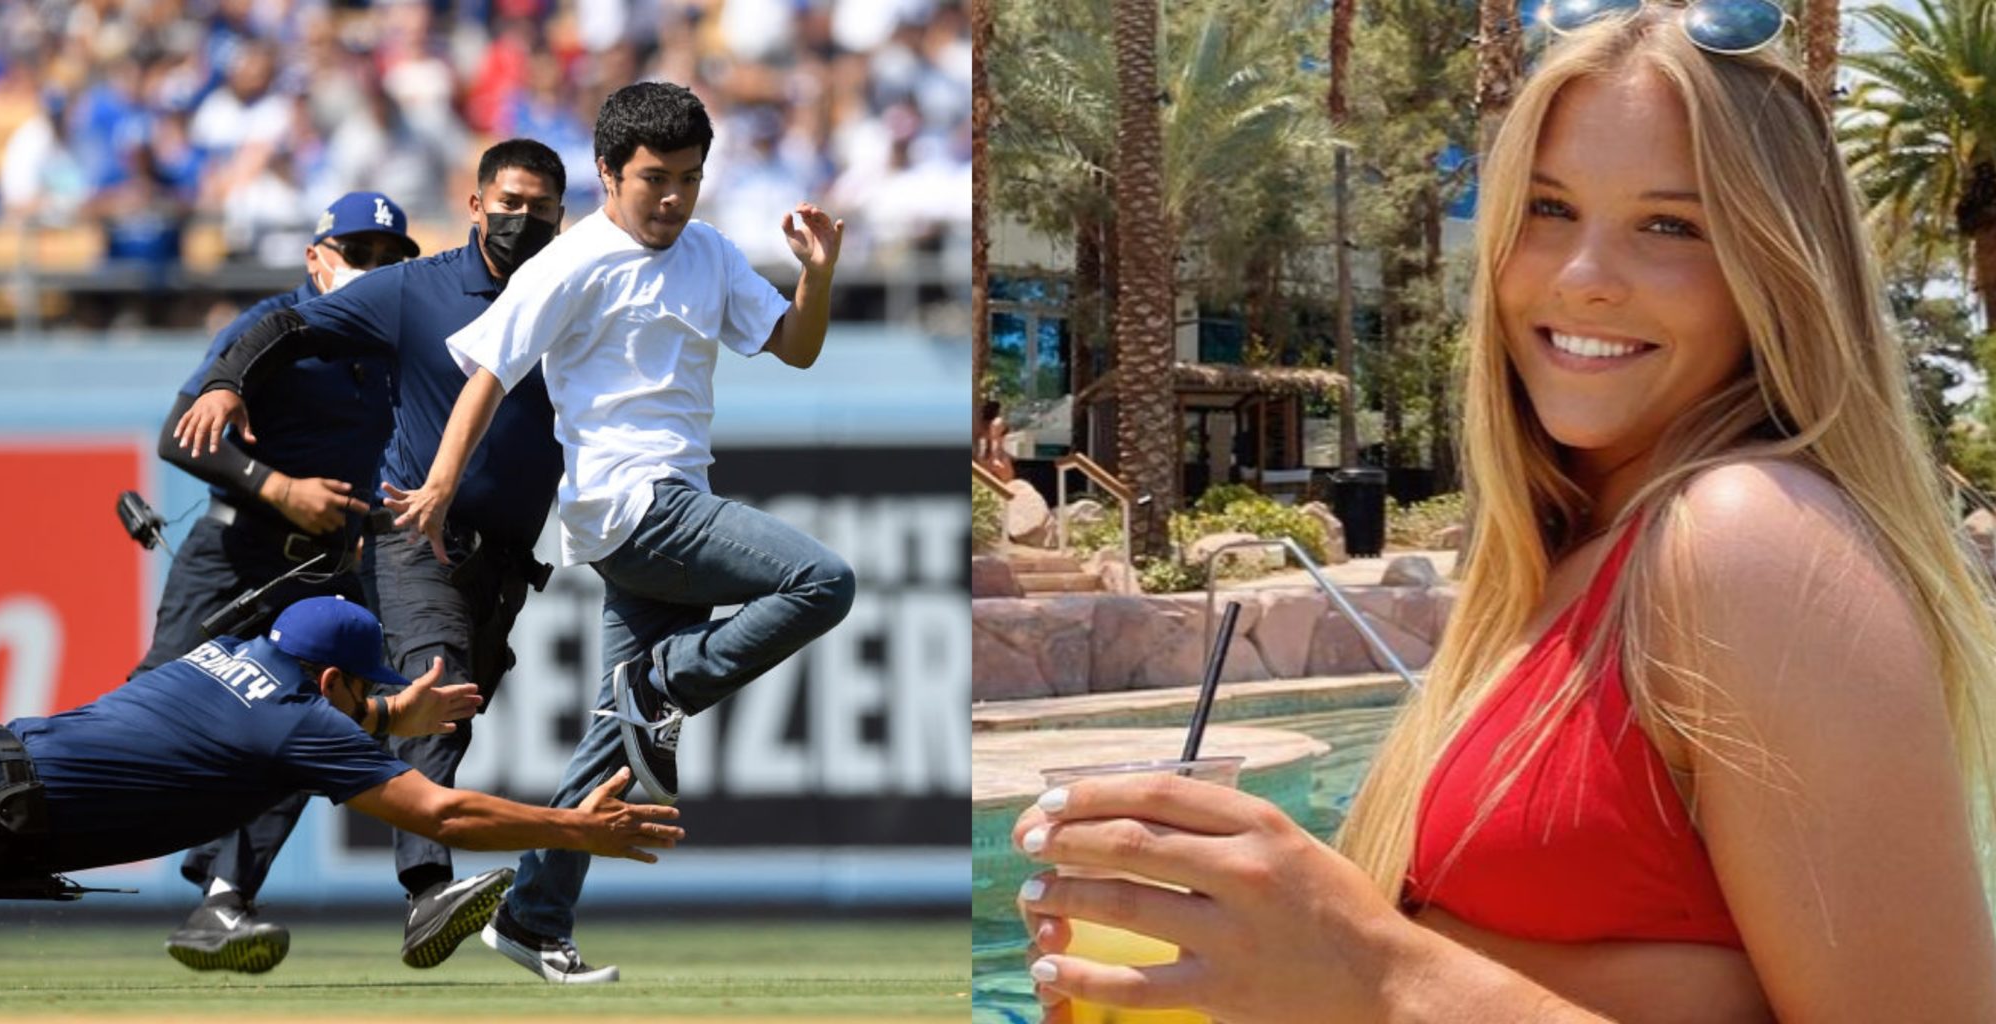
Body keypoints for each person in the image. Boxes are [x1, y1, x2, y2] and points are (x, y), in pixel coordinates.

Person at [1012, 4, 1996, 1022]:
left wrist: (1377, 970)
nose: (1581, 279)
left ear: (1777, 271)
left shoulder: (1750, 538)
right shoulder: (1559, 558)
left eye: (1669, 225)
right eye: (1544, 207)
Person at [382, 81, 856, 984]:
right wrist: (439, 484)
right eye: (652, 180)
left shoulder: (710, 252)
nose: (672, 198)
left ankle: (531, 915)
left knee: (615, 743)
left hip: (671, 499)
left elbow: (796, 347)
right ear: (606, 174)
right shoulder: (570, 263)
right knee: (822, 583)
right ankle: (664, 683)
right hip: (629, 508)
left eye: (688, 178)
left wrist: (818, 274)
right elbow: (487, 370)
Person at [169, 141, 570, 973]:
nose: (520, 220)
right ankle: (422, 887)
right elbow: (270, 337)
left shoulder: (572, 291)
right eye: (508, 201)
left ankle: (221, 896)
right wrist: (233, 399)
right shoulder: (406, 298)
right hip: (352, 543)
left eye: (540, 208)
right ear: (473, 202)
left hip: (440, 562)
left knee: (348, 720)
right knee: (427, 686)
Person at [0, 596, 684, 975]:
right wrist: (575, 830)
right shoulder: (295, 724)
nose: (369, 702)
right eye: (366, 688)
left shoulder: (223, 656)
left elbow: (267, 728)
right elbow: (444, 816)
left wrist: (388, 714)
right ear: (331, 680)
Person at [145, 190, 424, 975]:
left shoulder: (390, 343)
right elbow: (179, 436)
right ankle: (20, 836)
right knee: (157, 707)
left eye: (388, 259)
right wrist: (277, 487)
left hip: (325, 570)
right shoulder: (275, 327)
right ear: (316, 257)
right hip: (237, 548)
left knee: (324, 722)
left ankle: (224, 899)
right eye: (358, 252)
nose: (372, 269)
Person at [977, 399, 1014, 483]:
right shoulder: (997, 422)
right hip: (997, 455)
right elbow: (995, 440)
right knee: (1006, 482)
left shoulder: (981, 424)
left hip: (986, 456)